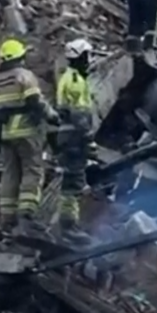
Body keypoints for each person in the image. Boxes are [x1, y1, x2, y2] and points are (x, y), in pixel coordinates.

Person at [0, 38, 59, 234]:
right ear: (20, 57)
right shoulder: (24, 76)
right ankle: (27, 214)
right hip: (27, 132)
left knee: (9, 173)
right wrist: (54, 117)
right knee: (32, 170)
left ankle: (7, 217)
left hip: (5, 135)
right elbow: (36, 102)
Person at [55, 38, 96, 243]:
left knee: (72, 182)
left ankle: (71, 223)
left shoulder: (73, 77)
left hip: (70, 136)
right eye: (86, 55)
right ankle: (68, 225)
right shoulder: (74, 80)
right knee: (72, 183)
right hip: (74, 138)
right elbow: (78, 113)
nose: (89, 60)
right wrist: (88, 136)